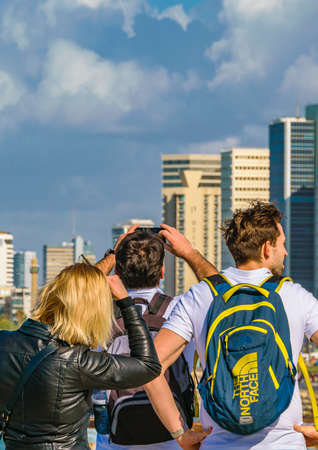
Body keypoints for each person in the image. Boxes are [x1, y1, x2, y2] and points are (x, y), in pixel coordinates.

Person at [145, 202, 318, 449]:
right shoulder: (295, 296)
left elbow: (151, 368)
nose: (286, 253)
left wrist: (180, 434)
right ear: (267, 248)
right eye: (283, 244)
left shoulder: (200, 296)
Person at [0, 263, 161, 450]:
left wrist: (108, 259)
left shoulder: (4, 342)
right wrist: (126, 302)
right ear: (92, 311)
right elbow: (148, 366)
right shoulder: (78, 362)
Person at [95, 226, 218, 450]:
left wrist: (112, 255)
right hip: (174, 439)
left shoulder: (99, 313)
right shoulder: (181, 307)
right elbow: (221, 292)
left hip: (116, 441)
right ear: (162, 272)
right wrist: (189, 252)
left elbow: (69, 294)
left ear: (118, 274)